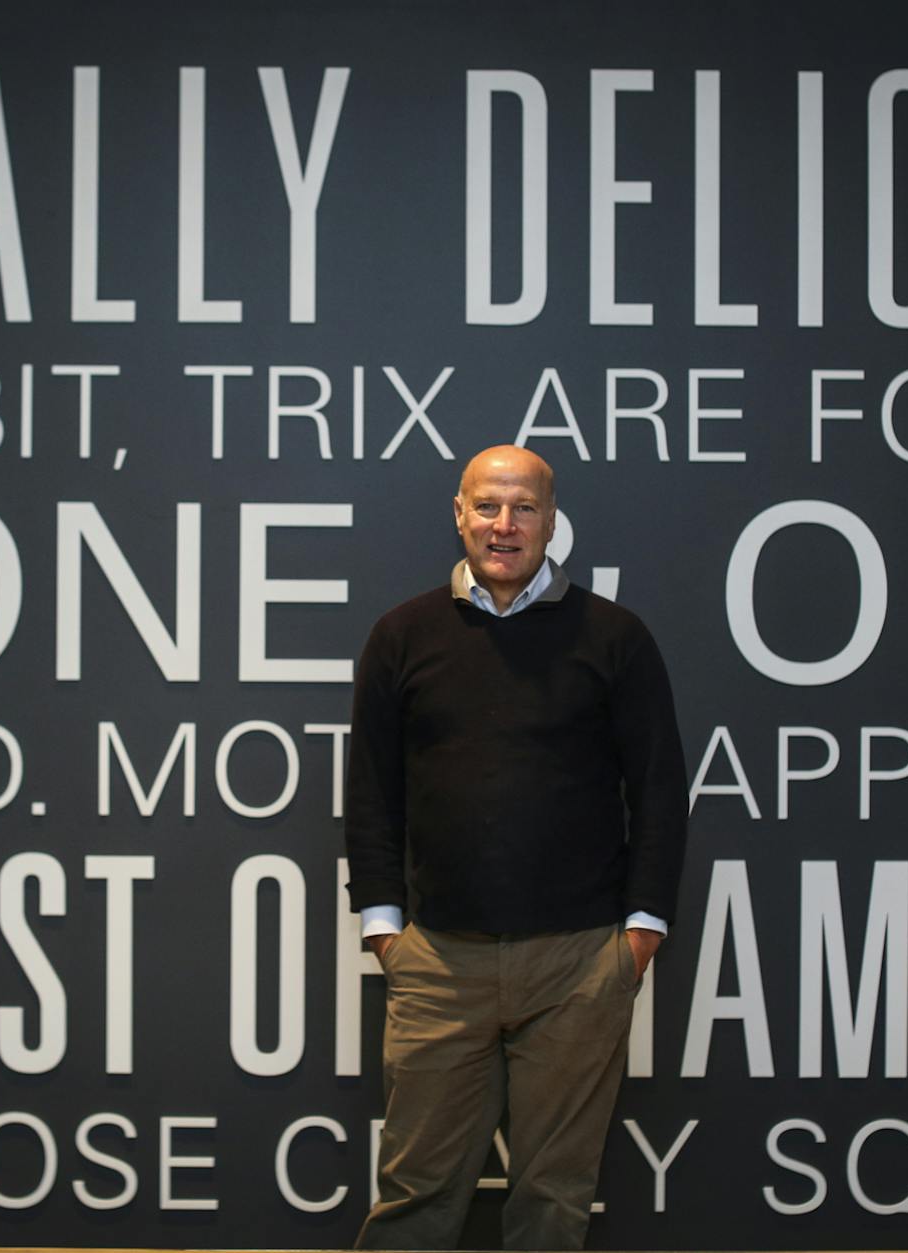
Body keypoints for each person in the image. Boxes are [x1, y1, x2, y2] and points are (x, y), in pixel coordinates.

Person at [345, 444, 688, 1250]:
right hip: (438, 962)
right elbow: (371, 793)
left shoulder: (615, 636)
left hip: (578, 967)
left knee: (553, 1199)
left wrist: (637, 940)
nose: (505, 524)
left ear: (551, 520)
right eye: (488, 505)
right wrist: (386, 933)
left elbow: (659, 789)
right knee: (415, 1195)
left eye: (524, 507)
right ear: (459, 514)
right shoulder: (401, 636)